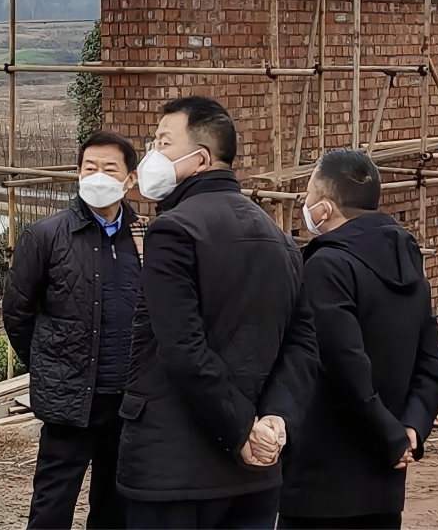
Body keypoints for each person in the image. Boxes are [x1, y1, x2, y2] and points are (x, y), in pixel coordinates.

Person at [118, 97, 317, 530]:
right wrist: (275, 420)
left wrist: (241, 430)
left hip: (176, 469)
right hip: (257, 469)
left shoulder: (174, 230)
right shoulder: (280, 239)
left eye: (163, 143)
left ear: (201, 159)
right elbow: (302, 346)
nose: (152, 155)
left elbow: (182, 348)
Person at [278, 149, 438, 530]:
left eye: (308, 193)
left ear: (325, 208)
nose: (304, 203)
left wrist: (391, 436)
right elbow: (432, 366)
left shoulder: (327, 266)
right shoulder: (408, 264)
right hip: (383, 480)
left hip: (321, 482)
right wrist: (410, 429)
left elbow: (342, 365)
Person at [3, 131, 147, 530]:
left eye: (109, 169)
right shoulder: (45, 236)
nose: (98, 176)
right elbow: (17, 313)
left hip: (126, 399)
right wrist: (49, 365)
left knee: (115, 502)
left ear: (130, 179)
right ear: (77, 172)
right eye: (90, 167)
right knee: (53, 500)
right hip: (68, 397)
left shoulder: (145, 237)